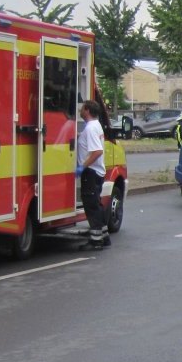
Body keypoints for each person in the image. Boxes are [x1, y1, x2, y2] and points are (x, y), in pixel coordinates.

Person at [76, 99, 109, 250]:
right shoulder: (95, 126)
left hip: (91, 172)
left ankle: (96, 241)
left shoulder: (90, 128)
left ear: (88, 110)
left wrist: (82, 166)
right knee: (97, 203)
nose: (80, 111)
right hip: (97, 172)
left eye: (82, 108)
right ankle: (104, 235)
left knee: (91, 205)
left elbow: (97, 151)